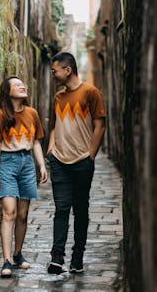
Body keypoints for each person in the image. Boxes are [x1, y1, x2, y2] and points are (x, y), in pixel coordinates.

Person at [46, 52, 106, 274]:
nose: (53, 75)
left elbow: (100, 126)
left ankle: (77, 256)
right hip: (59, 161)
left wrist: (90, 155)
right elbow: (53, 125)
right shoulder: (58, 98)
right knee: (61, 209)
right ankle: (57, 257)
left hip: (82, 162)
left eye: (54, 71)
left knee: (81, 210)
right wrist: (51, 147)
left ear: (67, 70)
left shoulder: (91, 93)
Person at [0, 76, 48, 278]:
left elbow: (37, 142)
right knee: (9, 212)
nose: (22, 86)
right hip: (7, 163)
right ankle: (6, 260)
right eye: (16, 84)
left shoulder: (32, 113)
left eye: (23, 84)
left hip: (27, 164)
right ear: (7, 92)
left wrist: (41, 165)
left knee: (23, 214)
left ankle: (18, 254)